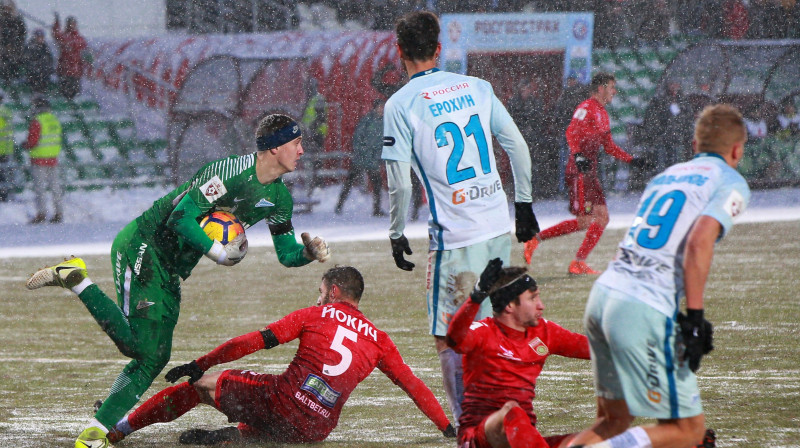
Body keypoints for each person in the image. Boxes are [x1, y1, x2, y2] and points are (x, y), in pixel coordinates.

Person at [25, 113, 333, 448]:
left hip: (171, 267)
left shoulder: (279, 199)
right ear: (274, 148)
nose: (302, 150)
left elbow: (286, 252)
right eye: (296, 142)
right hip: (145, 243)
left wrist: (307, 253)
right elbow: (179, 216)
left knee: (155, 355)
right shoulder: (228, 172)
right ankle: (75, 278)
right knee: (141, 347)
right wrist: (217, 251)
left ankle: (98, 431)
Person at [382, 11, 540, 424]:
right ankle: (505, 410)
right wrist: (523, 206)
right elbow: (517, 146)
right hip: (494, 223)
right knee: (493, 325)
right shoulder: (477, 87)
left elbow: (400, 183)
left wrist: (397, 232)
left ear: (400, 52)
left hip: (454, 234)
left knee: (449, 335)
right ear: (438, 49)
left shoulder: (400, 104)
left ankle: (470, 425)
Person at [567, 104, 750, 448]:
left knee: (613, 421)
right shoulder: (729, 180)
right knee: (688, 430)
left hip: (605, 293)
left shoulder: (666, 176)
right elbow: (698, 243)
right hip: (641, 306)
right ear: (737, 150)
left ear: (695, 145)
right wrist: (695, 317)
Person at [105, 266, 456, 445]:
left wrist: (202, 363)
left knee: (200, 388)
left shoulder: (315, 315)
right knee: (272, 422)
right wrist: (446, 426)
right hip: (316, 429)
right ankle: (237, 437)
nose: (318, 298)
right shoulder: (379, 340)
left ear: (334, 291)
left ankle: (118, 431)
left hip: (280, 404)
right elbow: (412, 385)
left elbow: (252, 342)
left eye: (320, 292)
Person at [447, 258, 590, 448]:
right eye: (532, 298)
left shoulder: (545, 331)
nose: (541, 305)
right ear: (509, 306)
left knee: (598, 438)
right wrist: (476, 297)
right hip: (478, 438)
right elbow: (454, 339)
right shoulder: (483, 332)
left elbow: (596, 349)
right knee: (511, 411)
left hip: (523, 439)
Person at [524, 72, 650, 275]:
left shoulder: (603, 113)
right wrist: (578, 155)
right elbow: (570, 132)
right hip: (578, 171)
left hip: (589, 172)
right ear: (600, 89)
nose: (614, 91)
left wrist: (632, 160)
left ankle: (578, 262)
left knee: (602, 218)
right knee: (587, 221)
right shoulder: (586, 108)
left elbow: (609, 146)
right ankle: (536, 240)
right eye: (611, 87)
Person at [335, 98, 386, 217]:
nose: (381, 109)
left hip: (373, 159)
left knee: (377, 185)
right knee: (350, 181)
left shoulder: (384, 121)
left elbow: (382, 141)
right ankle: (339, 205)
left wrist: (379, 155)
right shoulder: (367, 120)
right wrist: (361, 151)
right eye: (380, 107)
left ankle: (377, 209)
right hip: (361, 158)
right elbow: (357, 137)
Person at [23, 95, 63, 223]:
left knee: (40, 189)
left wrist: (25, 145)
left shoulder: (37, 121)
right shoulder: (54, 120)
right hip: (53, 158)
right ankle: (59, 213)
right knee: (55, 187)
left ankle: (41, 213)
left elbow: (32, 141)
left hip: (39, 159)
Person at [52, 13, 87, 100]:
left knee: (75, 93)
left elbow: (83, 50)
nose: (73, 26)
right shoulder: (64, 37)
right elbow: (56, 34)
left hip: (75, 70)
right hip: (65, 70)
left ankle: (74, 108)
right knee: (65, 92)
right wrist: (57, 22)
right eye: (71, 24)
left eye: (74, 24)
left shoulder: (79, 38)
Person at [0, 1, 26, 84]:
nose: (7, 10)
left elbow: (22, 35)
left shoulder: (17, 20)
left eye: (9, 8)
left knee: (14, 61)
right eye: (5, 8)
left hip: (14, 48)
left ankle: (13, 79)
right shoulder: (2, 20)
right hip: (3, 48)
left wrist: (14, 45)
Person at [23, 28, 55, 96]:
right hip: (34, 73)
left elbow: (50, 59)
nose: (40, 38)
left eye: (42, 37)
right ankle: (36, 96)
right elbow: (27, 60)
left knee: (44, 80)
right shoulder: (30, 47)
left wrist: (49, 68)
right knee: (36, 79)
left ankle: (42, 95)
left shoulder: (45, 47)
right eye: (39, 37)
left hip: (44, 73)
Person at [0, 87, 14, 201]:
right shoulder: (7, 111)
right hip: (7, 147)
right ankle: (4, 195)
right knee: (3, 173)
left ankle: (2, 196)